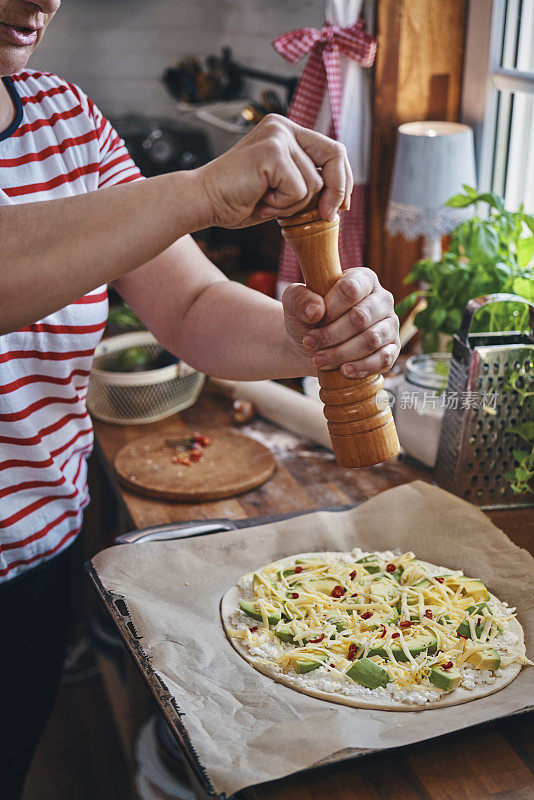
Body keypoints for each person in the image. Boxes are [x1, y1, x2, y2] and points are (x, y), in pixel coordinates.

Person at [0, 1, 400, 796]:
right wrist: (198, 191)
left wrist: (311, 337)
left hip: (38, 561)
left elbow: (189, 307)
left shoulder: (68, 121)